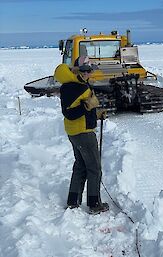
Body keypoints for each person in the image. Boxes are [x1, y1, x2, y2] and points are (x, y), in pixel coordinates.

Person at [54, 56, 109, 214]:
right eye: (87, 70)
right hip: (83, 133)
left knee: (80, 166)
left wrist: (95, 113)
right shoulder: (78, 87)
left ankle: (73, 201)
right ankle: (94, 204)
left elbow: (78, 109)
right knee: (94, 168)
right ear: (79, 71)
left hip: (74, 132)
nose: (89, 73)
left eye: (90, 70)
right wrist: (87, 106)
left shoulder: (70, 85)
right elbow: (70, 113)